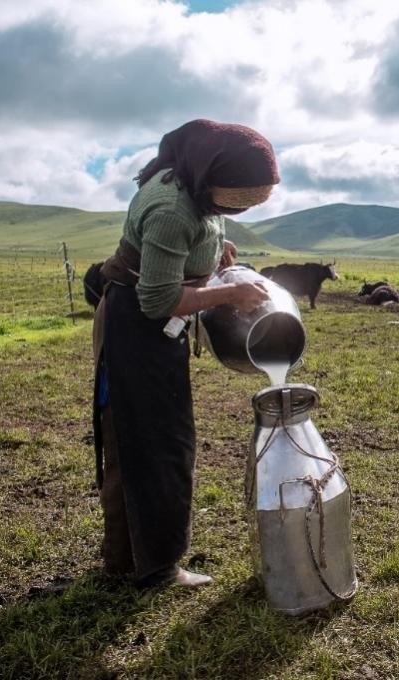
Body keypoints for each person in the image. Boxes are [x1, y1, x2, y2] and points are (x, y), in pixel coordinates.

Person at [92, 119, 279, 587]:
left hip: (150, 329)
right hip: (136, 329)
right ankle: (153, 568)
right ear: (211, 176)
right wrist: (226, 296)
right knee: (152, 446)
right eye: (233, 200)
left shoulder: (195, 188)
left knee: (158, 442)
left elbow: (200, 228)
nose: (232, 209)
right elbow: (158, 301)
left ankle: (134, 561)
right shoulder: (172, 209)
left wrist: (214, 252)